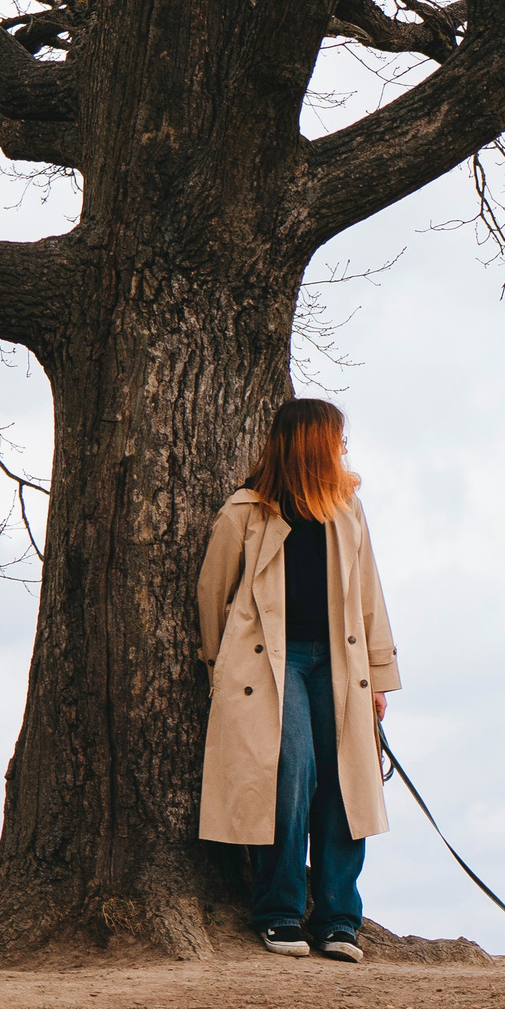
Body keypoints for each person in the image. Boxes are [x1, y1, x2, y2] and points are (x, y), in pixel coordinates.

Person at [196, 398, 402, 960]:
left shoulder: (347, 509)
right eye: (335, 438)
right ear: (311, 444)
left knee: (345, 785)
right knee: (289, 776)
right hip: (269, 665)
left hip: (340, 663)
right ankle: (281, 911)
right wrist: (224, 668)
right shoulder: (245, 511)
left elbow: (369, 596)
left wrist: (379, 677)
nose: (342, 448)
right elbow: (212, 597)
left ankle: (339, 920)